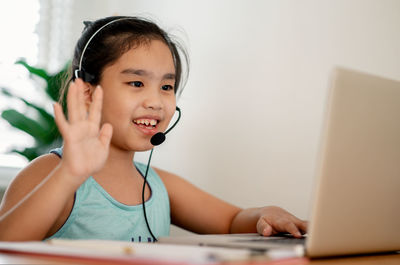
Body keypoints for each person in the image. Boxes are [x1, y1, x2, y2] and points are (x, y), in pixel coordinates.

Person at [0, 16, 307, 242]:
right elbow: (7, 245)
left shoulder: (160, 186)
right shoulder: (49, 174)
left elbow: (231, 221)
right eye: (136, 83)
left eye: (166, 86)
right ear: (88, 92)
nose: (156, 101)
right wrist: (69, 174)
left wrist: (265, 214)